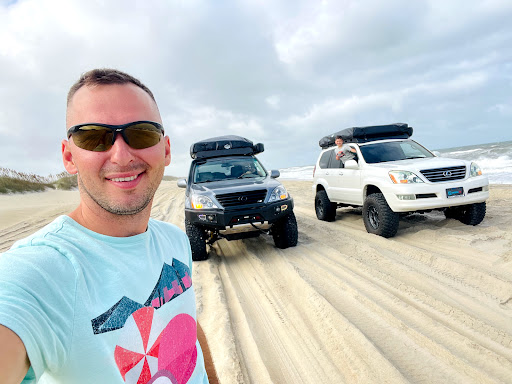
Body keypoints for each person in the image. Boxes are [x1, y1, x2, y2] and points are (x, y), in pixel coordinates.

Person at [0, 69, 218, 384]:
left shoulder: (174, 241)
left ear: (166, 150)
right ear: (69, 156)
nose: (121, 154)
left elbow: (186, 324)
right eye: (93, 136)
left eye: (141, 133)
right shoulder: (40, 274)